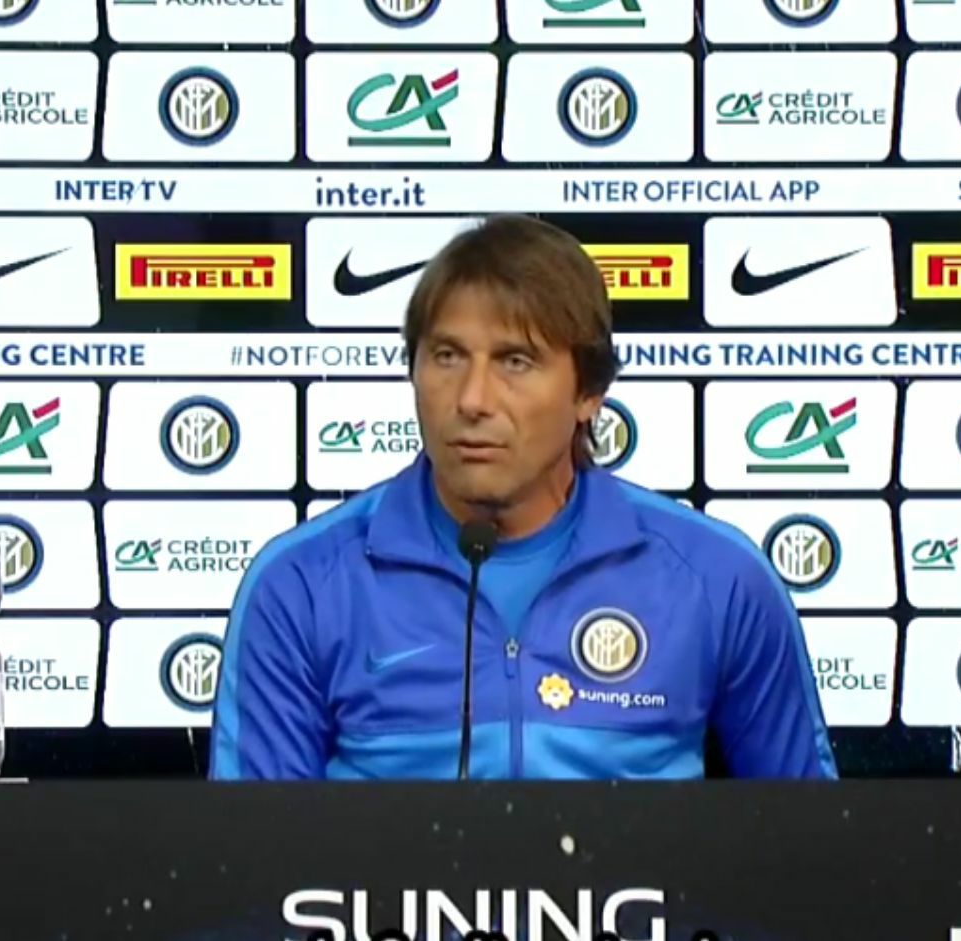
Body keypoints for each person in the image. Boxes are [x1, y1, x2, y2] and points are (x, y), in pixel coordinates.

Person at [209, 215, 838, 781]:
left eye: (515, 361)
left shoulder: (717, 577)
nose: (472, 399)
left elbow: (805, 844)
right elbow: (255, 856)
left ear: (589, 392)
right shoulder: (301, 585)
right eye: (447, 356)